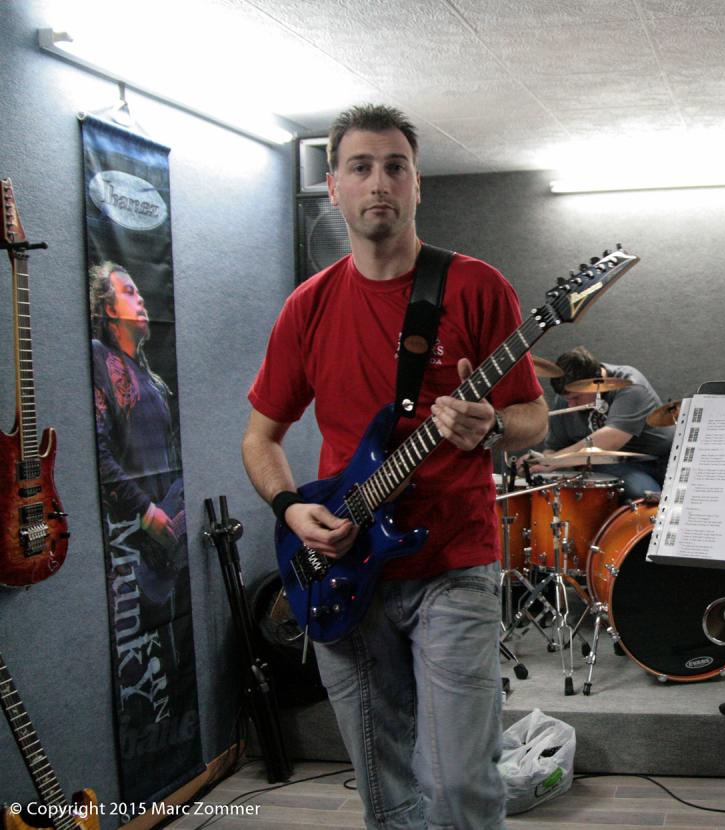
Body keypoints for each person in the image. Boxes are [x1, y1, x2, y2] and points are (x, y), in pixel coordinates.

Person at [242, 104, 547, 830]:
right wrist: (289, 507)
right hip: (345, 569)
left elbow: (533, 417)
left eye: (395, 167)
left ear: (417, 184)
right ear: (333, 186)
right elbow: (260, 438)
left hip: (453, 562)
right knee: (386, 796)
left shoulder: (475, 287)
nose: (379, 182)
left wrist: (491, 425)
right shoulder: (308, 307)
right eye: (361, 167)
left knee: (460, 786)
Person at [89, 261, 185, 600]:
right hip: (132, 534)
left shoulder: (151, 378)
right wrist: (145, 510)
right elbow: (98, 450)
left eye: (139, 292)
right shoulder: (100, 357)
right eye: (129, 292)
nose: (141, 299)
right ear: (109, 308)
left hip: (167, 535)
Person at [530, 346, 674, 499]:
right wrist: (539, 465)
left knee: (647, 495)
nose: (570, 405)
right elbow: (554, 449)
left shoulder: (631, 384)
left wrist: (553, 461)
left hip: (664, 460)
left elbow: (612, 439)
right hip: (615, 464)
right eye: (567, 399)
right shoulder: (566, 398)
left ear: (596, 381)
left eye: (576, 398)